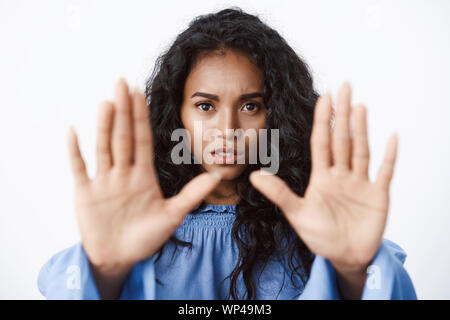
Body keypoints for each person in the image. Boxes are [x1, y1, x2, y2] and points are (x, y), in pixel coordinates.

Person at [37, 7, 417, 300]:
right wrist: (105, 272)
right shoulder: (142, 228)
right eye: (205, 107)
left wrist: (352, 270)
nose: (229, 130)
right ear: (177, 115)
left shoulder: (316, 227)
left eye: (251, 106)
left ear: (277, 114)